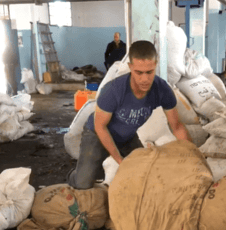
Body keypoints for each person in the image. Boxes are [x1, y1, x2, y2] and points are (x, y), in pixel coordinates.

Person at [68, 40, 192, 189]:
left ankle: (96, 167)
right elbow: (100, 126)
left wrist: (192, 155)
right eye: (139, 72)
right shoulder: (113, 91)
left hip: (127, 137)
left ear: (156, 65)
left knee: (145, 174)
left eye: (149, 72)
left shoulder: (162, 90)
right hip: (97, 133)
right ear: (130, 67)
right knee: (83, 182)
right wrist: (120, 161)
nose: (145, 79)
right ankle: (75, 174)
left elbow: (177, 127)